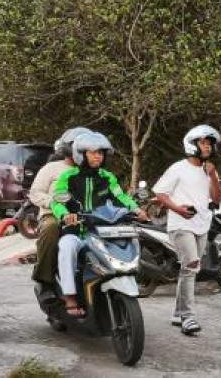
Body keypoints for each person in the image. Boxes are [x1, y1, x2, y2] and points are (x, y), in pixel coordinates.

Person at [51, 131, 147, 317]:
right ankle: (70, 296)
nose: (98, 156)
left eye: (101, 153)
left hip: (104, 230)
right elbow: (56, 201)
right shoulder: (68, 177)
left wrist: (136, 210)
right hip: (78, 230)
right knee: (66, 246)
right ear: (81, 154)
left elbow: (121, 197)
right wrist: (65, 215)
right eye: (93, 152)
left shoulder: (107, 177)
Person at [152, 124, 221, 335]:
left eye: (210, 143)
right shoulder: (178, 168)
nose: (208, 147)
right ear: (192, 145)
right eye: (203, 143)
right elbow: (160, 193)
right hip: (181, 224)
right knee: (191, 265)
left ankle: (177, 313)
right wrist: (178, 209)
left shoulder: (209, 170)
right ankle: (188, 317)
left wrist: (212, 176)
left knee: (190, 268)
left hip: (202, 224)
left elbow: (218, 199)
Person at [30, 126, 92, 297]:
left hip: (86, 216)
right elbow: (35, 194)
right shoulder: (51, 169)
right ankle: (45, 282)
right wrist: (53, 203)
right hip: (53, 215)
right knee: (51, 228)